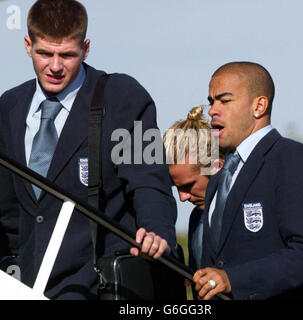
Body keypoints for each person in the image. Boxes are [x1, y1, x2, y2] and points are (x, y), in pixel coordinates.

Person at [0, 0, 177, 300]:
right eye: (45, 53)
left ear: (86, 48)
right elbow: (6, 211)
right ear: (28, 45)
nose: (55, 67)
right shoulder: (9, 107)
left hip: (96, 286)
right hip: (24, 288)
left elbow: (149, 181)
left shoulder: (122, 98)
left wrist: (156, 232)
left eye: (67, 55)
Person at [193, 61, 303, 300]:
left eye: (224, 101)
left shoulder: (292, 159)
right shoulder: (219, 176)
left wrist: (232, 279)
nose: (213, 110)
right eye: (211, 101)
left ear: (259, 106)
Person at [163, 105, 224, 272]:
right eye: (176, 187)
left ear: (216, 166)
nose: (182, 197)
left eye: (188, 186)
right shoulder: (197, 219)